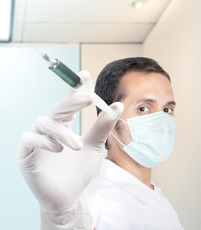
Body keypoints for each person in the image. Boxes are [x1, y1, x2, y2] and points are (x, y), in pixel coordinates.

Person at [17, 57, 183, 229]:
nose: (161, 120)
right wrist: (62, 217)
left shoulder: (153, 194)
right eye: (143, 109)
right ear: (108, 119)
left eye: (167, 110)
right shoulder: (103, 208)